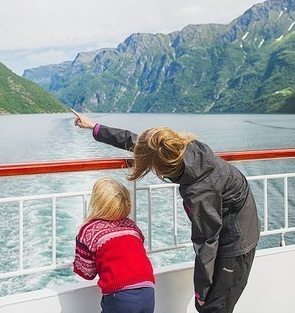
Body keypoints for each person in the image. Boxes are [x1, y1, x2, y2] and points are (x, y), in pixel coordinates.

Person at [71, 109, 260, 313]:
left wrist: (201, 291)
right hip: (225, 221)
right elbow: (142, 144)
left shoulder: (201, 191)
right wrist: (95, 127)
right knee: (207, 303)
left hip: (237, 241)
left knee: (213, 306)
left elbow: (206, 241)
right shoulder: (178, 149)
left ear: (163, 170)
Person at [73, 177, 156, 313]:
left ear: (96, 204)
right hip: (148, 290)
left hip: (120, 296)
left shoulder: (89, 230)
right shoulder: (131, 226)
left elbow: (86, 273)